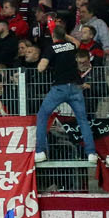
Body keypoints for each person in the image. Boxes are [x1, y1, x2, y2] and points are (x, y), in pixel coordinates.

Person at [32, 18, 98, 164]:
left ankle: (40, 151)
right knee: (83, 121)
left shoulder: (51, 48)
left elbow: (41, 68)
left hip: (59, 88)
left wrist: (43, 62)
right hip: (75, 87)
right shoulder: (71, 45)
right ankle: (91, 153)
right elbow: (77, 42)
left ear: (52, 35)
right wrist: (62, 33)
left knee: (42, 115)